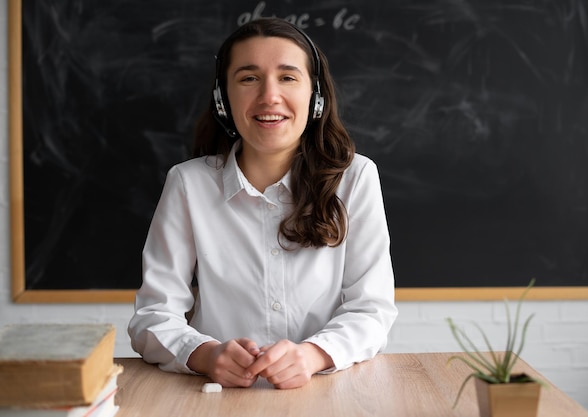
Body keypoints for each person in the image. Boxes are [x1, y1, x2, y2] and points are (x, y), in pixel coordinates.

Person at [128, 17, 397, 390]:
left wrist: (313, 354)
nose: (269, 96)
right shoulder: (188, 184)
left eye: (288, 77)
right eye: (249, 78)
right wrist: (206, 355)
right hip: (216, 398)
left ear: (314, 96)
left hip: (325, 393)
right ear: (223, 99)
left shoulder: (355, 179)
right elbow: (153, 316)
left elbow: (371, 310)